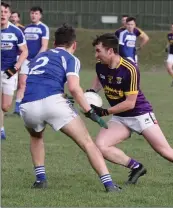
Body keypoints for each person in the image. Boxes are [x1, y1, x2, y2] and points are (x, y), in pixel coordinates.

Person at [86, 33, 173, 188]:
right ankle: (136, 167)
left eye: (98, 51)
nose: (96, 55)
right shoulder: (100, 66)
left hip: (140, 114)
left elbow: (130, 103)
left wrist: (105, 112)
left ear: (110, 51)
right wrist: (90, 94)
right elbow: (99, 82)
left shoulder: (130, 69)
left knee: (165, 151)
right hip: (120, 117)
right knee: (100, 145)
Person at [19, 24, 121, 192]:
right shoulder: (71, 58)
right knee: (87, 142)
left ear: (54, 43)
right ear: (74, 45)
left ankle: (40, 179)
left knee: (36, 137)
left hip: (28, 104)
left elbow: (34, 82)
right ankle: (109, 184)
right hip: (53, 103)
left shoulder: (39, 57)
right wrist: (90, 111)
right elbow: (74, 87)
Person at [14, 6, 49, 114]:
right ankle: (17, 109)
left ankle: (39, 107)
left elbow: (44, 46)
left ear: (40, 15)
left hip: (38, 61)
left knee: (37, 84)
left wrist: (37, 59)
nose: (33, 15)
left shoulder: (43, 28)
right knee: (22, 83)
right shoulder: (26, 28)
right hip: (26, 59)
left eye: (36, 13)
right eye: (32, 13)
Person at [1, 2, 28, 139]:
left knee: (5, 107)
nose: (2, 14)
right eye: (0, 11)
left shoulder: (16, 31)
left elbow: (24, 51)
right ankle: (1, 129)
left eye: (5, 12)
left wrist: (16, 67)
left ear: (9, 14)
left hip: (9, 72)